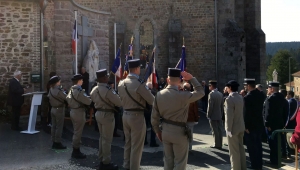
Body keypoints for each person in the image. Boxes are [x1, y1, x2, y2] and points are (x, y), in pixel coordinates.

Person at [151, 68, 204, 170]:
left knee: (168, 161)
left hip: (165, 130)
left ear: (167, 80)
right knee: (180, 162)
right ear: (180, 81)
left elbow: (154, 117)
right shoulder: (183, 95)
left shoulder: (159, 95)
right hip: (179, 131)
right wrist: (192, 78)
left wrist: (157, 131)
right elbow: (201, 92)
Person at [118, 59, 154, 170]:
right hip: (137, 116)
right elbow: (152, 100)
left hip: (125, 114)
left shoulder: (121, 83)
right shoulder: (139, 84)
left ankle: (126, 165)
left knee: (128, 143)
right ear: (137, 69)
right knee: (137, 146)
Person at [90, 69, 122, 170]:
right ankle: (106, 162)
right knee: (107, 140)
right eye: (107, 77)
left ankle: (101, 159)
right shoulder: (108, 90)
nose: (108, 78)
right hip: (107, 115)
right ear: (103, 78)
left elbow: (92, 98)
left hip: (98, 113)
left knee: (102, 138)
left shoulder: (94, 89)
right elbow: (119, 102)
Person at [66, 74, 92, 159]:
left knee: (76, 130)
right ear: (79, 81)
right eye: (81, 80)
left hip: (73, 111)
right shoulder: (78, 91)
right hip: (78, 112)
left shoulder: (71, 90)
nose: (83, 81)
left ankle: (76, 149)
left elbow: (67, 99)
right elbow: (88, 101)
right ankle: (76, 150)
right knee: (78, 132)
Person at [264, 82, 288, 165]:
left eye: (269, 88)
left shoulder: (270, 99)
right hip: (280, 124)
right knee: (279, 143)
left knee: (272, 144)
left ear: (272, 89)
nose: (267, 90)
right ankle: (277, 160)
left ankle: (274, 161)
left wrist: (267, 124)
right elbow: (286, 113)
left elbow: (268, 113)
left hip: (271, 125)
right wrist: (284, 123)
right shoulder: (283, 98)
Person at [224, 80, 246, 170]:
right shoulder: (240, 97)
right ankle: (243, 167)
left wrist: (228, 129)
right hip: (241, 126)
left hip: (233, 128)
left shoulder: (229, 99)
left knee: (234, 151)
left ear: (230, 88)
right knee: (241, 148)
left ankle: (236, 168)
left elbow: (229, 116)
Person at [243, 78, 265, 169]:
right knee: (259, 146)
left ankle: (254, 165)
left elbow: (246, 113)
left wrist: (246, 126)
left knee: (251, 147)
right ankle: (259, 164)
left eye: (245, 85)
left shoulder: (247, 97)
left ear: (248, 86)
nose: (245, 87)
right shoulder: (261, 95)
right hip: (259, 124)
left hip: (250, 126)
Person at [47, 76, 67, 150]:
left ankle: (53, 141)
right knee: (59, 126)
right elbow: (66, 97)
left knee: (54, 126)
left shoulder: (51, 89)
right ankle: (57, 142)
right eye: (59, 81)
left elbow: (49, 97)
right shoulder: (58, 90)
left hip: (53, 108)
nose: (60, 81)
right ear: (56, 82)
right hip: (59, 109)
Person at [206, 80, 223, 149]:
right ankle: (220, 143)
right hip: (219, 114)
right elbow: (222, 106)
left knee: (214, 130)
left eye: (209, 86)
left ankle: (216, 144)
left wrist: (208, 114)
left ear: (211, 86)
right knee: (219, 129)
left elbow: (210, 106)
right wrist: (221, 114)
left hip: (213, 115)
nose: (209, 87)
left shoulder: (211, 94)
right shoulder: (220, 94)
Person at [183, 82, 200, 151]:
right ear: (190, 88)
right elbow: (195, 109)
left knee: (182, 134)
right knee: (190, 134)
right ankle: (189, 148)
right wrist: (196, 118)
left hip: (182, 119)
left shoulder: (179, 96)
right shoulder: (193, 97)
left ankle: (184, 148)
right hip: (190, 119)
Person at [144, 82, 159, 147]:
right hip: (151, 112)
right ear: (152, 87)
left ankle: (144, 141)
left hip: (144, 112)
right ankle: (152, 142)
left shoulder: (143, 93)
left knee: (144, 128)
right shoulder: (154, 93)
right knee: (153, 128)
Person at [284, 91, 298, 158]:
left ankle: (288, 153)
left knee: (288, 138)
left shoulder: (289, 102)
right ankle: (293, 151)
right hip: (295, 122)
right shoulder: (296, 102)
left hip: (290, 122)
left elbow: (288, 114)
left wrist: (286, 123)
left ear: (290, 95)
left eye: (287, 94)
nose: (286, 96)